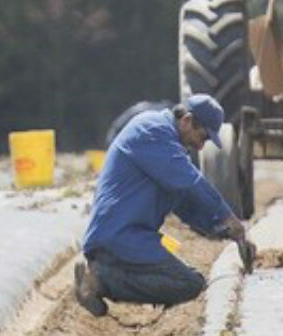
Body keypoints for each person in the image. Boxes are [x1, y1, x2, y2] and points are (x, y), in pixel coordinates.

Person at [74, 94, 252, 317]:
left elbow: (184, 204)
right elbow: (190, 182)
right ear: (187, 121)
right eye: (203, 137)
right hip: (118, 236)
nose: (201, 145)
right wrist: (227, 216)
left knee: (191, 281)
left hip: (132, 236)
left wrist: (223, 229)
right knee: (188, 284)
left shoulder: (167, 143)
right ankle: (99, 281)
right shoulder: (151, 131)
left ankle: (104, 276)